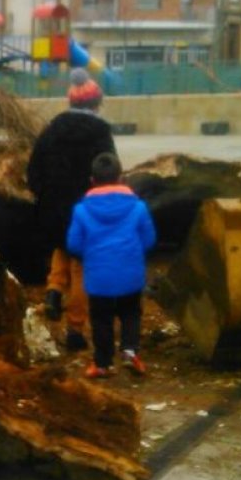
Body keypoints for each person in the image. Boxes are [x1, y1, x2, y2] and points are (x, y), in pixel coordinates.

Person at [27, 105, 116, 351]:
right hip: (87, 210)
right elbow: (110, 173)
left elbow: (33, 171)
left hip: (54, 209)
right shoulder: (100, 134)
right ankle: (75, 330)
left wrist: (45, 196)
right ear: (96, 105)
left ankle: (53, 292)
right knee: (81, 267)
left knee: (62, 245)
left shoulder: (52, 131)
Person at [67, 153, 156, 379]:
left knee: (101, 318)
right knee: (131, 313)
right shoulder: (138, 208)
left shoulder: (81, 210)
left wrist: (90, 254)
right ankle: (129, 350)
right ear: (121, 178)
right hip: (130, 272)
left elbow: (73, 243)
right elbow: (149, 239)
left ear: (92, 181)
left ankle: (103, 363)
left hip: (99, 276)